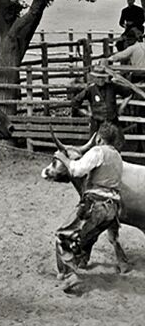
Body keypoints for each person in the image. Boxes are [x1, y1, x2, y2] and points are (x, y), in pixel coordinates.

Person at [53, 122, 123, 287]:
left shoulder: (98, 151)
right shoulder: (118, 157)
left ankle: (69, 274)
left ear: (98, 138)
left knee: (62, 236)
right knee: (82, 240)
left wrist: (63, 158)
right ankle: (68, 270)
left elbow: (77, 170)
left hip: (95, 205)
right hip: (112, 210)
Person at [71, 65, 131, 151]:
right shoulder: (90, 89)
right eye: (98, 78)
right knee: (95, 148)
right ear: (94, 78)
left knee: (116, 146)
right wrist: (87, 113)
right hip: (97, 124)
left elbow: (128, 93)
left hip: (112, 122)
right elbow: (75, 102)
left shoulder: (112, 87)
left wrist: (121, 108)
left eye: (102, 78)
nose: (100, 80)